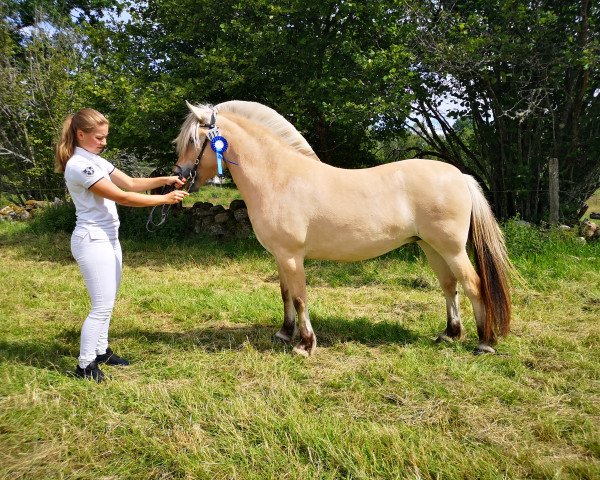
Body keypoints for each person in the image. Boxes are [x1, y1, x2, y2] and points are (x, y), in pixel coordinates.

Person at [55, 108, 189, 382]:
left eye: (105, 137)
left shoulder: (96, 160)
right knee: (101, 306)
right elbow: (122, 196)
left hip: (108, 239)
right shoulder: (81, 165)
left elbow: (130, 182)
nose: (104, 142)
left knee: (108, 301)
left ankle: (101, 351)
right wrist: (164, 199)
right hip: (92, 240)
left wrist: (165, 180)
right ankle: (84, 365)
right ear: (81, 135)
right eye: (99, 137)